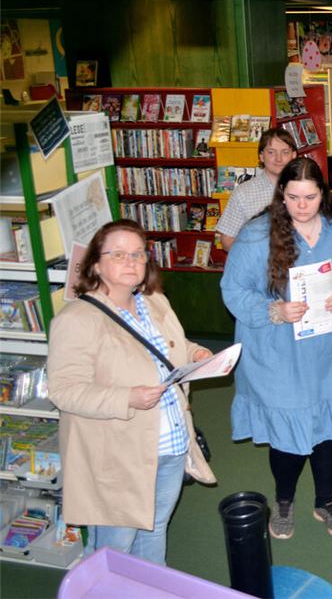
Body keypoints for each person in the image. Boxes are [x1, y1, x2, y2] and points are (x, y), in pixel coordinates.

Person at [221, 157, 332, 540]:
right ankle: (284, 500)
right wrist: (274, 309)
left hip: (330, 349)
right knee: (288, 431)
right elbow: (233, 291)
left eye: (310, 196)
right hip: (279, 352)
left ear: (324, 194)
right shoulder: (257, 235)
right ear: (280, 194)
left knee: (330, 430)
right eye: (292, 197)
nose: (301, 205)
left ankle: (326, 501)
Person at [47, 219, 214, 565]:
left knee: (154, 531)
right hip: (117, 456)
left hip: (168, 444)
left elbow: (172, 347)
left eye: (138, 254)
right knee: (114, 551)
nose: (131, 262)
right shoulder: (76, 319)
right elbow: (63, 390)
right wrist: (127, 398)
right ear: (95, 264)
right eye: (119, 254)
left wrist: (196, 353)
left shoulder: (155, 302)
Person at [216, 128, 298, 251]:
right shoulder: (243, 193)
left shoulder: (306, 188)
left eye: (285, 152)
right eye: (271, 152)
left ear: (294, 155)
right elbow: (227, 241)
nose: (278, 158)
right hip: (261, 265)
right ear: (261, 156)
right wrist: (256, 253)